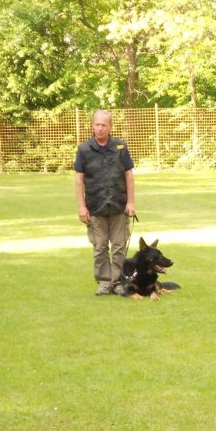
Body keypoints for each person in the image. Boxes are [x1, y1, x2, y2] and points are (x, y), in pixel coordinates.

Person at [74, 110, 136, 295]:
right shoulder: (84, 150)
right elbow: (79, 180)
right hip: (94, 206)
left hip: (118, 204)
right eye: (97, 124)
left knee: (119, 246)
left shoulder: (121, 147)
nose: (99, 128)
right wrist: (81, 207)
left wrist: (131, 202)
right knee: (100, 247)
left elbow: (129, 176)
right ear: (92, 125)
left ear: (110, 127)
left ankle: (117, 283)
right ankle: (104, 282)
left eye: (103, 125)